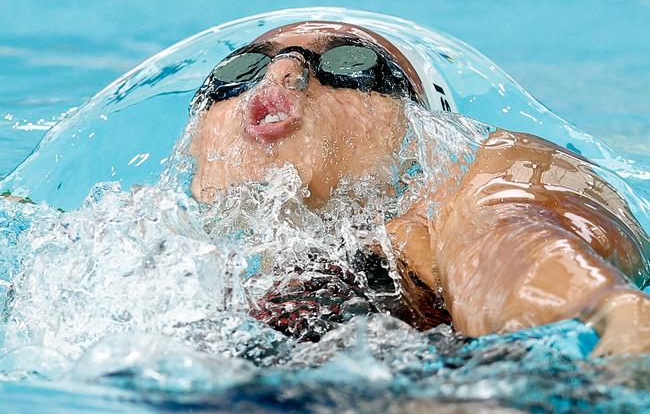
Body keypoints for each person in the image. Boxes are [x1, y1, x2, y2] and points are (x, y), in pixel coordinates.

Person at [189, 21, 650, 355]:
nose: (285, 72)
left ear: (423, 133)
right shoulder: (162, 252)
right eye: (240, 70)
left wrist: (611, 314)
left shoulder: (471, 183)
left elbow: (514, 240)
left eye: (351, 62)